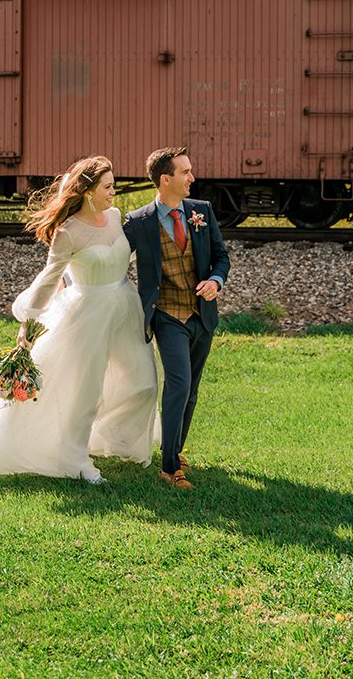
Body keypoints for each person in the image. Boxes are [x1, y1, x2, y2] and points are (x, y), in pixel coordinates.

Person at [0, 156, 158, 483]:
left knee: (144, 383)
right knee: (85, 390)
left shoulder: (114, 217)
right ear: (88, 191)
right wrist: (29, 322)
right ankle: (77, 458)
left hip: (125, 307)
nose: (114, 192)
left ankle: (111, 436)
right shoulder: (67, 233)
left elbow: (120, 254)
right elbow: (49, 279)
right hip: (87, 313)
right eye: (108, 186)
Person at [124, 147, 230, 490]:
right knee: (179, 385)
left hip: (203, 315)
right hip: (167, 315)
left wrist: (215, 280)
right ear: (165, 179)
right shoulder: (139, 221)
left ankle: (176, 449)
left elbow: (221, 257)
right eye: (185, 172)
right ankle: (170, 468)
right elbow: (112, 256)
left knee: (192, 390)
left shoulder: (202, 211)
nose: (193, 178)